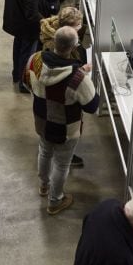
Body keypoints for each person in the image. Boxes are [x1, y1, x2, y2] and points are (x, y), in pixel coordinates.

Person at [24, 26, 99, 216]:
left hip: (41, 120)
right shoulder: (77, 78)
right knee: (61, 164)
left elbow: (25, 81)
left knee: (44, 150)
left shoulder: (36, 60)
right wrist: (86, 77)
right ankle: (55, 200)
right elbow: (92, 106)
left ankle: (43, 186)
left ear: (54, 43)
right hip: (66, 128)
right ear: (74, 47)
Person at [3, 0, 45, 92]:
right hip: (28, 27)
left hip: (15, 19)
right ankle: (24, 83)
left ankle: (16, 74)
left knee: (18, 46)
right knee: (28, 54)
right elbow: (32, 14)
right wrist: (46, 22)